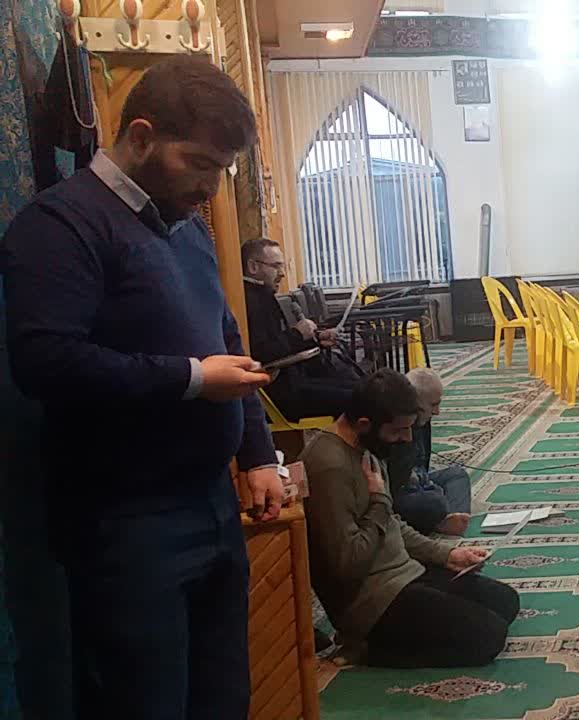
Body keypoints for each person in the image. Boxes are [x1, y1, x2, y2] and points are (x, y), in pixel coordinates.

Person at [0, 56, 285, 717]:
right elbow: (46, 361)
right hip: (125, 522)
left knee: (222, 700)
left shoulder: (185, 228)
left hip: (212, 506)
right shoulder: (60, 225)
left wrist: (257, 454)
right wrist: (192, 379)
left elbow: (226, 344)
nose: (210, 186)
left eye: (222, 170)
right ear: (141, 136)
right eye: (199, 163)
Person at [302, 369, 518, 668]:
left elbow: (392, 524)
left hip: (405, 573)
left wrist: (446, 555)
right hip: (373, 601)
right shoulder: (329, 467)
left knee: (505, 602)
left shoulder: (366, 445)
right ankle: (368, 648)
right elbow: (348, 562)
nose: (406, 438)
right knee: (488, 637)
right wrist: (379, 500)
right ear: (365, 424)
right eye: (398, 431)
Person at [241, 237, 361, 420]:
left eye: (283, 266)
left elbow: (280, 345)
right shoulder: (248, 302)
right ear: (253, 267)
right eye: (276, 266)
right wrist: (297, 334)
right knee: (363, 398)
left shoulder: (263, 297)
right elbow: (261, 354)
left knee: (363, 390)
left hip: (294, 381)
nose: (282, 273)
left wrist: (315, 338)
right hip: (280, 394)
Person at [387, 367, 472, 536]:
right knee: (433, 501)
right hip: (401, 489)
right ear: (415, 403)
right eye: (433, 405)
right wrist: (430, 488)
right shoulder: (398, 425)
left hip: (421, 481)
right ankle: (442, 517)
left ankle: (451, 517)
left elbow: (423, 464)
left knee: (457, 475)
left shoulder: (423, 422)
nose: (437, 411)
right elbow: (397, 479)